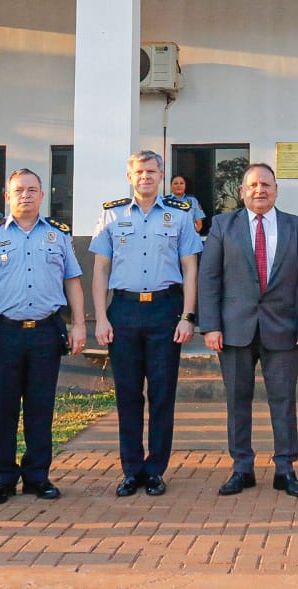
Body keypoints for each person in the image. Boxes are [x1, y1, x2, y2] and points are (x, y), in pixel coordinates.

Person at [199, 162, 298, 497]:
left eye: (266, 185)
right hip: (234, 330)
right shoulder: (222, 225)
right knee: (237, 401)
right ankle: (242, 468)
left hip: (283, 330)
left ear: (276, 190)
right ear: (242, 191)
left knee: (284, 402)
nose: (259, 190)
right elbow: (209, 278)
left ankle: (285, 469)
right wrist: (210, 326)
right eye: (252, 185)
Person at [0, 168, 87, 506]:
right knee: (4, 408)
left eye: (32, 190)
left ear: (42, 195)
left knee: (40, 407)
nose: (26, 195)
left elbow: (73, 281)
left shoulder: (58, 235)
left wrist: (79, 325)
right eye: (19, 190)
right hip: (4, 333)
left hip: (46, 332)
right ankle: (4, 478)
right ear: (7, 196)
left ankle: (37, 476)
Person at [90, 150, 202, 497]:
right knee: (127, 394)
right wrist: (101, 317)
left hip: (165, 310)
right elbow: (101, 270)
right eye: (139, 171)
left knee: (162, 393)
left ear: (161, 175)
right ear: (130, 176)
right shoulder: (111, 215)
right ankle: (131, 469)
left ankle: (155, 470)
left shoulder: (179, 215)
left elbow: (190, 269)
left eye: (152, 171)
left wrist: (187, 316)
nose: (146, 177)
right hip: (123, 310)